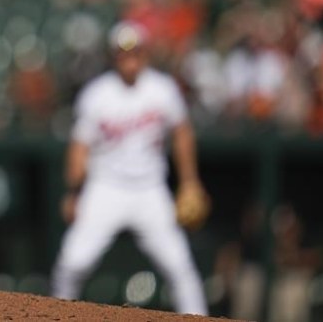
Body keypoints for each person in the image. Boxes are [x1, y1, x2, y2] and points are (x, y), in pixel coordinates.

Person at [50, 21, 208, 314]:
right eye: (123, 53)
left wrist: (189, 181)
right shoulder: (97, 94)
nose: (129, 58)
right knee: (73, 263)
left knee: (180, 266)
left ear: (144, 53)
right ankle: (54, 316)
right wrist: (73, 192)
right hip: (105, 187)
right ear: (114, 56)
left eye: (134, 51)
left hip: (150, 190)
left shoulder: (162, 89)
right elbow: (79, 147)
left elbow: (182, 133)